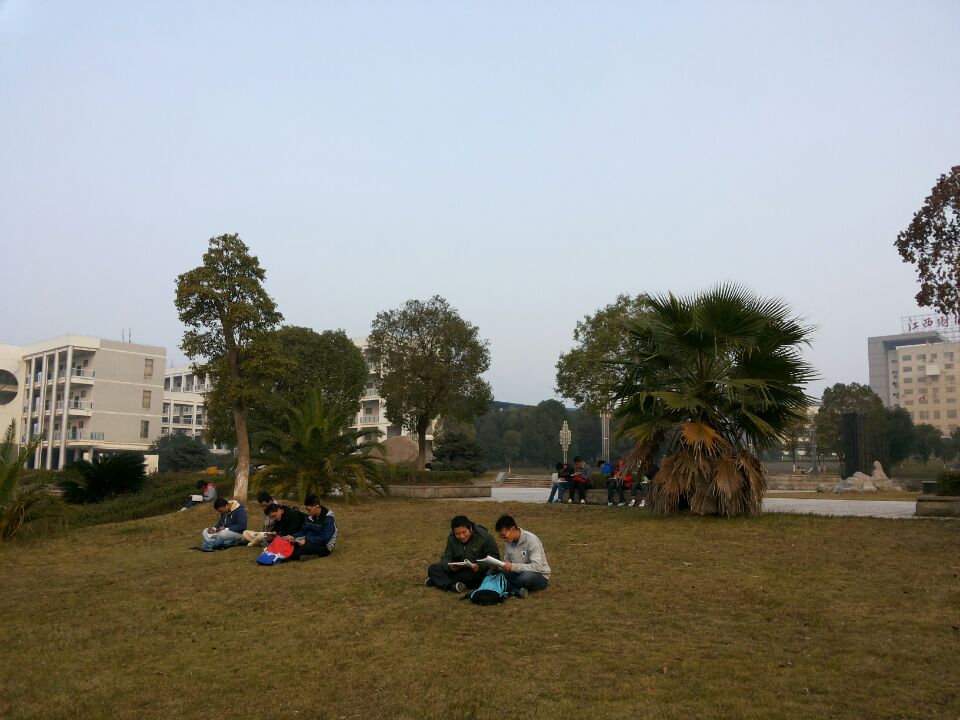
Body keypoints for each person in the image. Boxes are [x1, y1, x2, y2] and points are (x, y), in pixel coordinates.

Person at [425, 515, 500, 592]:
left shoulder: (484, 538)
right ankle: (452, 585)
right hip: (459, 570)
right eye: (457, 534)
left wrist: (479, 566)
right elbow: (447, 556)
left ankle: (438, 581)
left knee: (469, 577)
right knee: (433, 568)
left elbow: (495, 558)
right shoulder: (452, 538)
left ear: (470, 528)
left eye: (464, 532)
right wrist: (450, 566)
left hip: (476, 572)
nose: (462, 536)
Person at [494, 514, 550, 598]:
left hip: (539, 575)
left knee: (525, 577)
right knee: (497, 573)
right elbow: (507, 561)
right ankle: (516, 591)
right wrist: (502, 565)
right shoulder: (508, 541)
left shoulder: (531, 540)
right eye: (501, 537)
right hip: (517, 573)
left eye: (504, 536)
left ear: (513, 530)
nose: (504, 539)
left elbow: (537, 567)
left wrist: (513, 566)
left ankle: (510, 588)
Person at [286, 495, 338, 560]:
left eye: (309, 509)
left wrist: (307, 540)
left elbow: (325, 538)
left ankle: (308, 555)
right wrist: (294, 536)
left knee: (300, 549)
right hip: (310, 541)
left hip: (325, 546)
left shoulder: (328, 519)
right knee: (291, 543)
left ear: (317, 507)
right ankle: (302, 555)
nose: (307, 512)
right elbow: (303, 531)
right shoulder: (309, 517)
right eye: (306, 509)